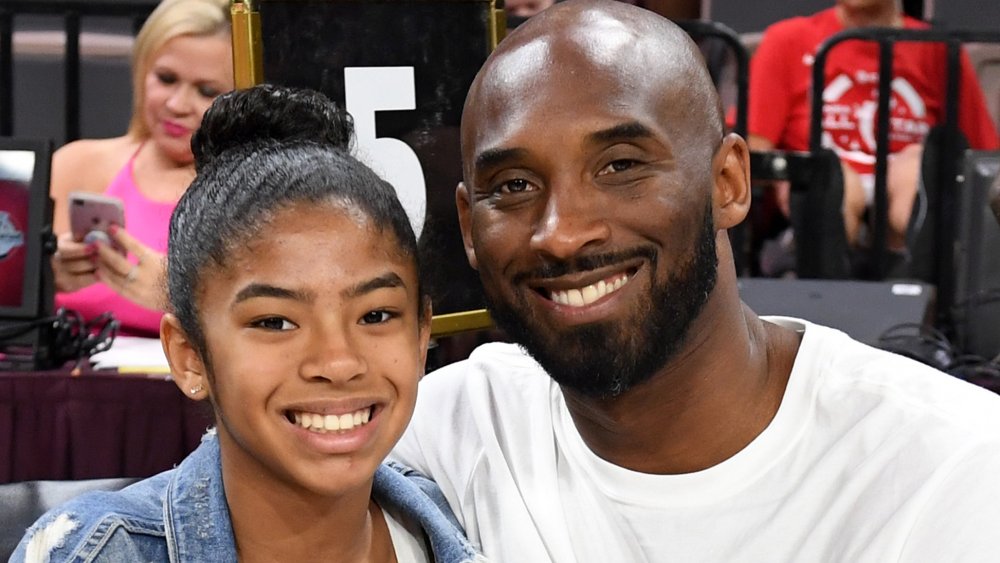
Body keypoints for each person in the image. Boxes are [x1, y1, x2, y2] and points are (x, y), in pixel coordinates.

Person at [390, 0, 1000, 560]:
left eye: (620, 165)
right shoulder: (441, 429)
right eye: (515, 186)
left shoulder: (952, 468)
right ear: (469, 226)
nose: (562, 232)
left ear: (728, 183)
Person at [11, 85, 481, 563]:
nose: (338, 362)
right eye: (275, 322)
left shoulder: (464, 518)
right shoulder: (97, 553)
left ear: (423, 332)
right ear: (189, 356)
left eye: (376, 315)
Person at [748, 0, 999, 261]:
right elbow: (752, 151)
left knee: (915, 168)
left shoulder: (938, 47)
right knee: (830, 177)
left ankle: (913, 273)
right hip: (819, 197)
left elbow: (982, 160)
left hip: (904, 197)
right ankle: (822, 275)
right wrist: (791, 176)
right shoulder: (788, 39)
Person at [49, 0, 234, 336]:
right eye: (166, 79)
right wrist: (38, 282)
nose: (177, 105)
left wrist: (179, 295)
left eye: (207, 91)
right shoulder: (74, 165)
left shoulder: (256, 195)